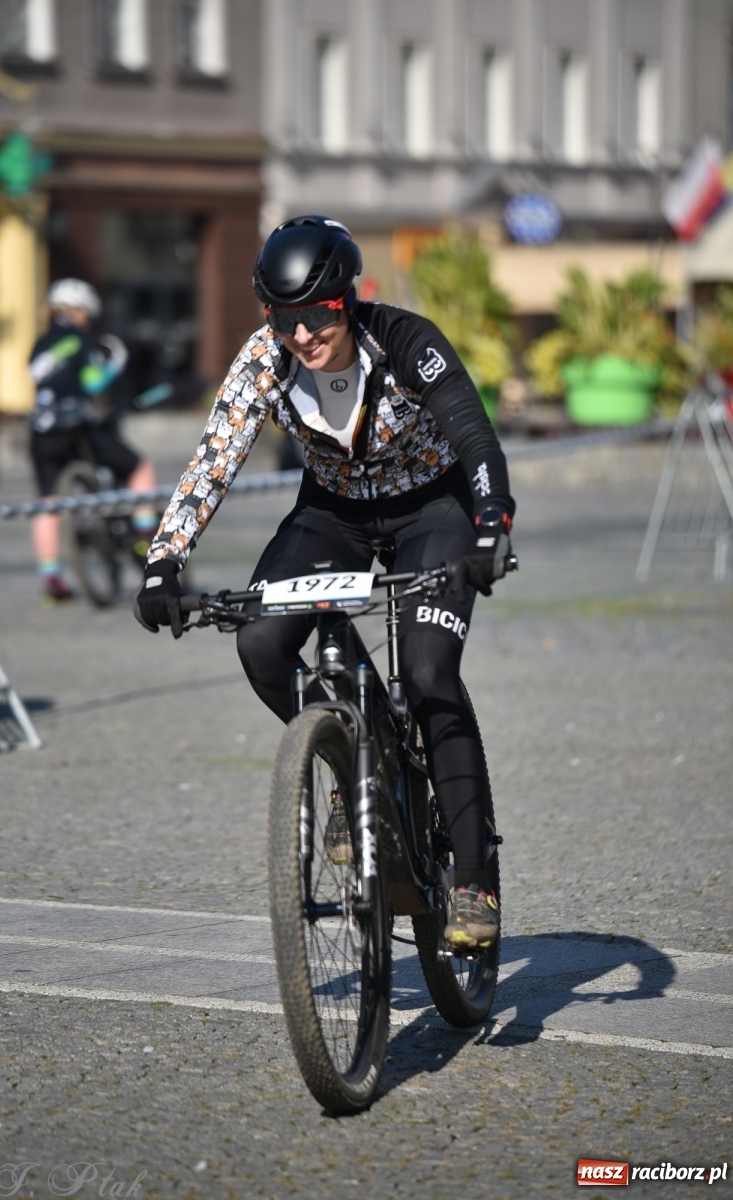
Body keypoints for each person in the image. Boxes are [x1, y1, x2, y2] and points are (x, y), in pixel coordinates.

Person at [133, 215, 515, 950]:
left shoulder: (404, 341)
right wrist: (163, 561)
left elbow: (474, 437)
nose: (303, 335)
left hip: (433, 507)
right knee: (261, 645)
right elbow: (213, 461)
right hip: (332, 511)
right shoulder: (264, 361)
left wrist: (492, 522)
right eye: (284, 319)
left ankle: (473, 881)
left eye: (319, 315)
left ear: (348, 298)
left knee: (431, 673)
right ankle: (349, 757)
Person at [28, 278, 158, 603]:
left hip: (40, 432)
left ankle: (52, 580)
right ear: (79, 312)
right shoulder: (79, 339)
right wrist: (115, 365)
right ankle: (145, 537)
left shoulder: (40, 344)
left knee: (47, 503)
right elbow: (93, 383)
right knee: (140, 468)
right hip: (75, 429)